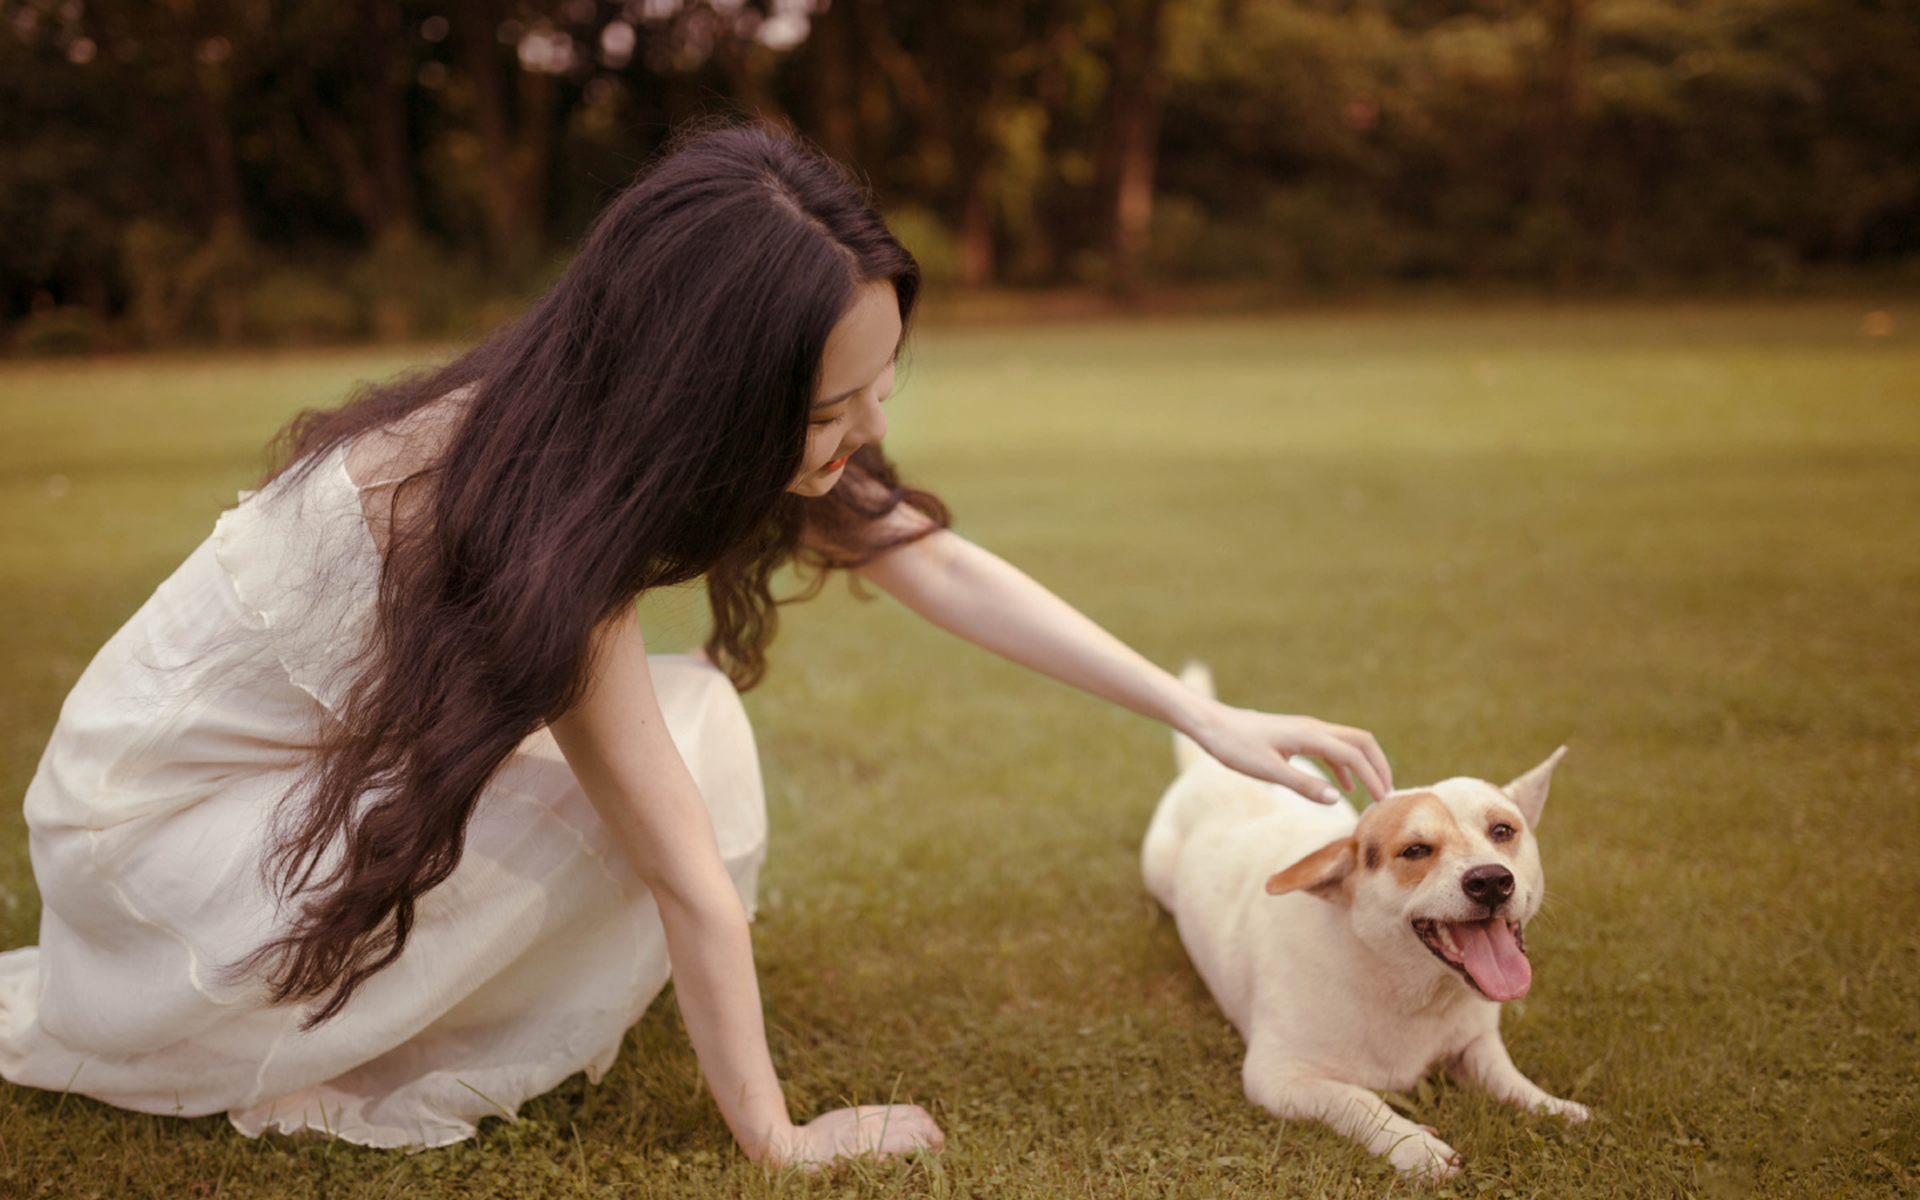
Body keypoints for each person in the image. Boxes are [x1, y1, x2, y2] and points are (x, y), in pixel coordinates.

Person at [0, 126, 1392, 1164]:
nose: (871, 437)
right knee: (694, 751)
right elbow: (685, 870)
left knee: (688, 725)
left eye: (881, 387)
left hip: (211, 794)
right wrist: (780, 1135)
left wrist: (1199, 716)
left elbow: (931, 556)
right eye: (834, 407)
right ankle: (328, 1029)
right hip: (165, 845)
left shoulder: (605, 426)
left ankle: (386, 1000)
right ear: (707, 396)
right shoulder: (532, 508)